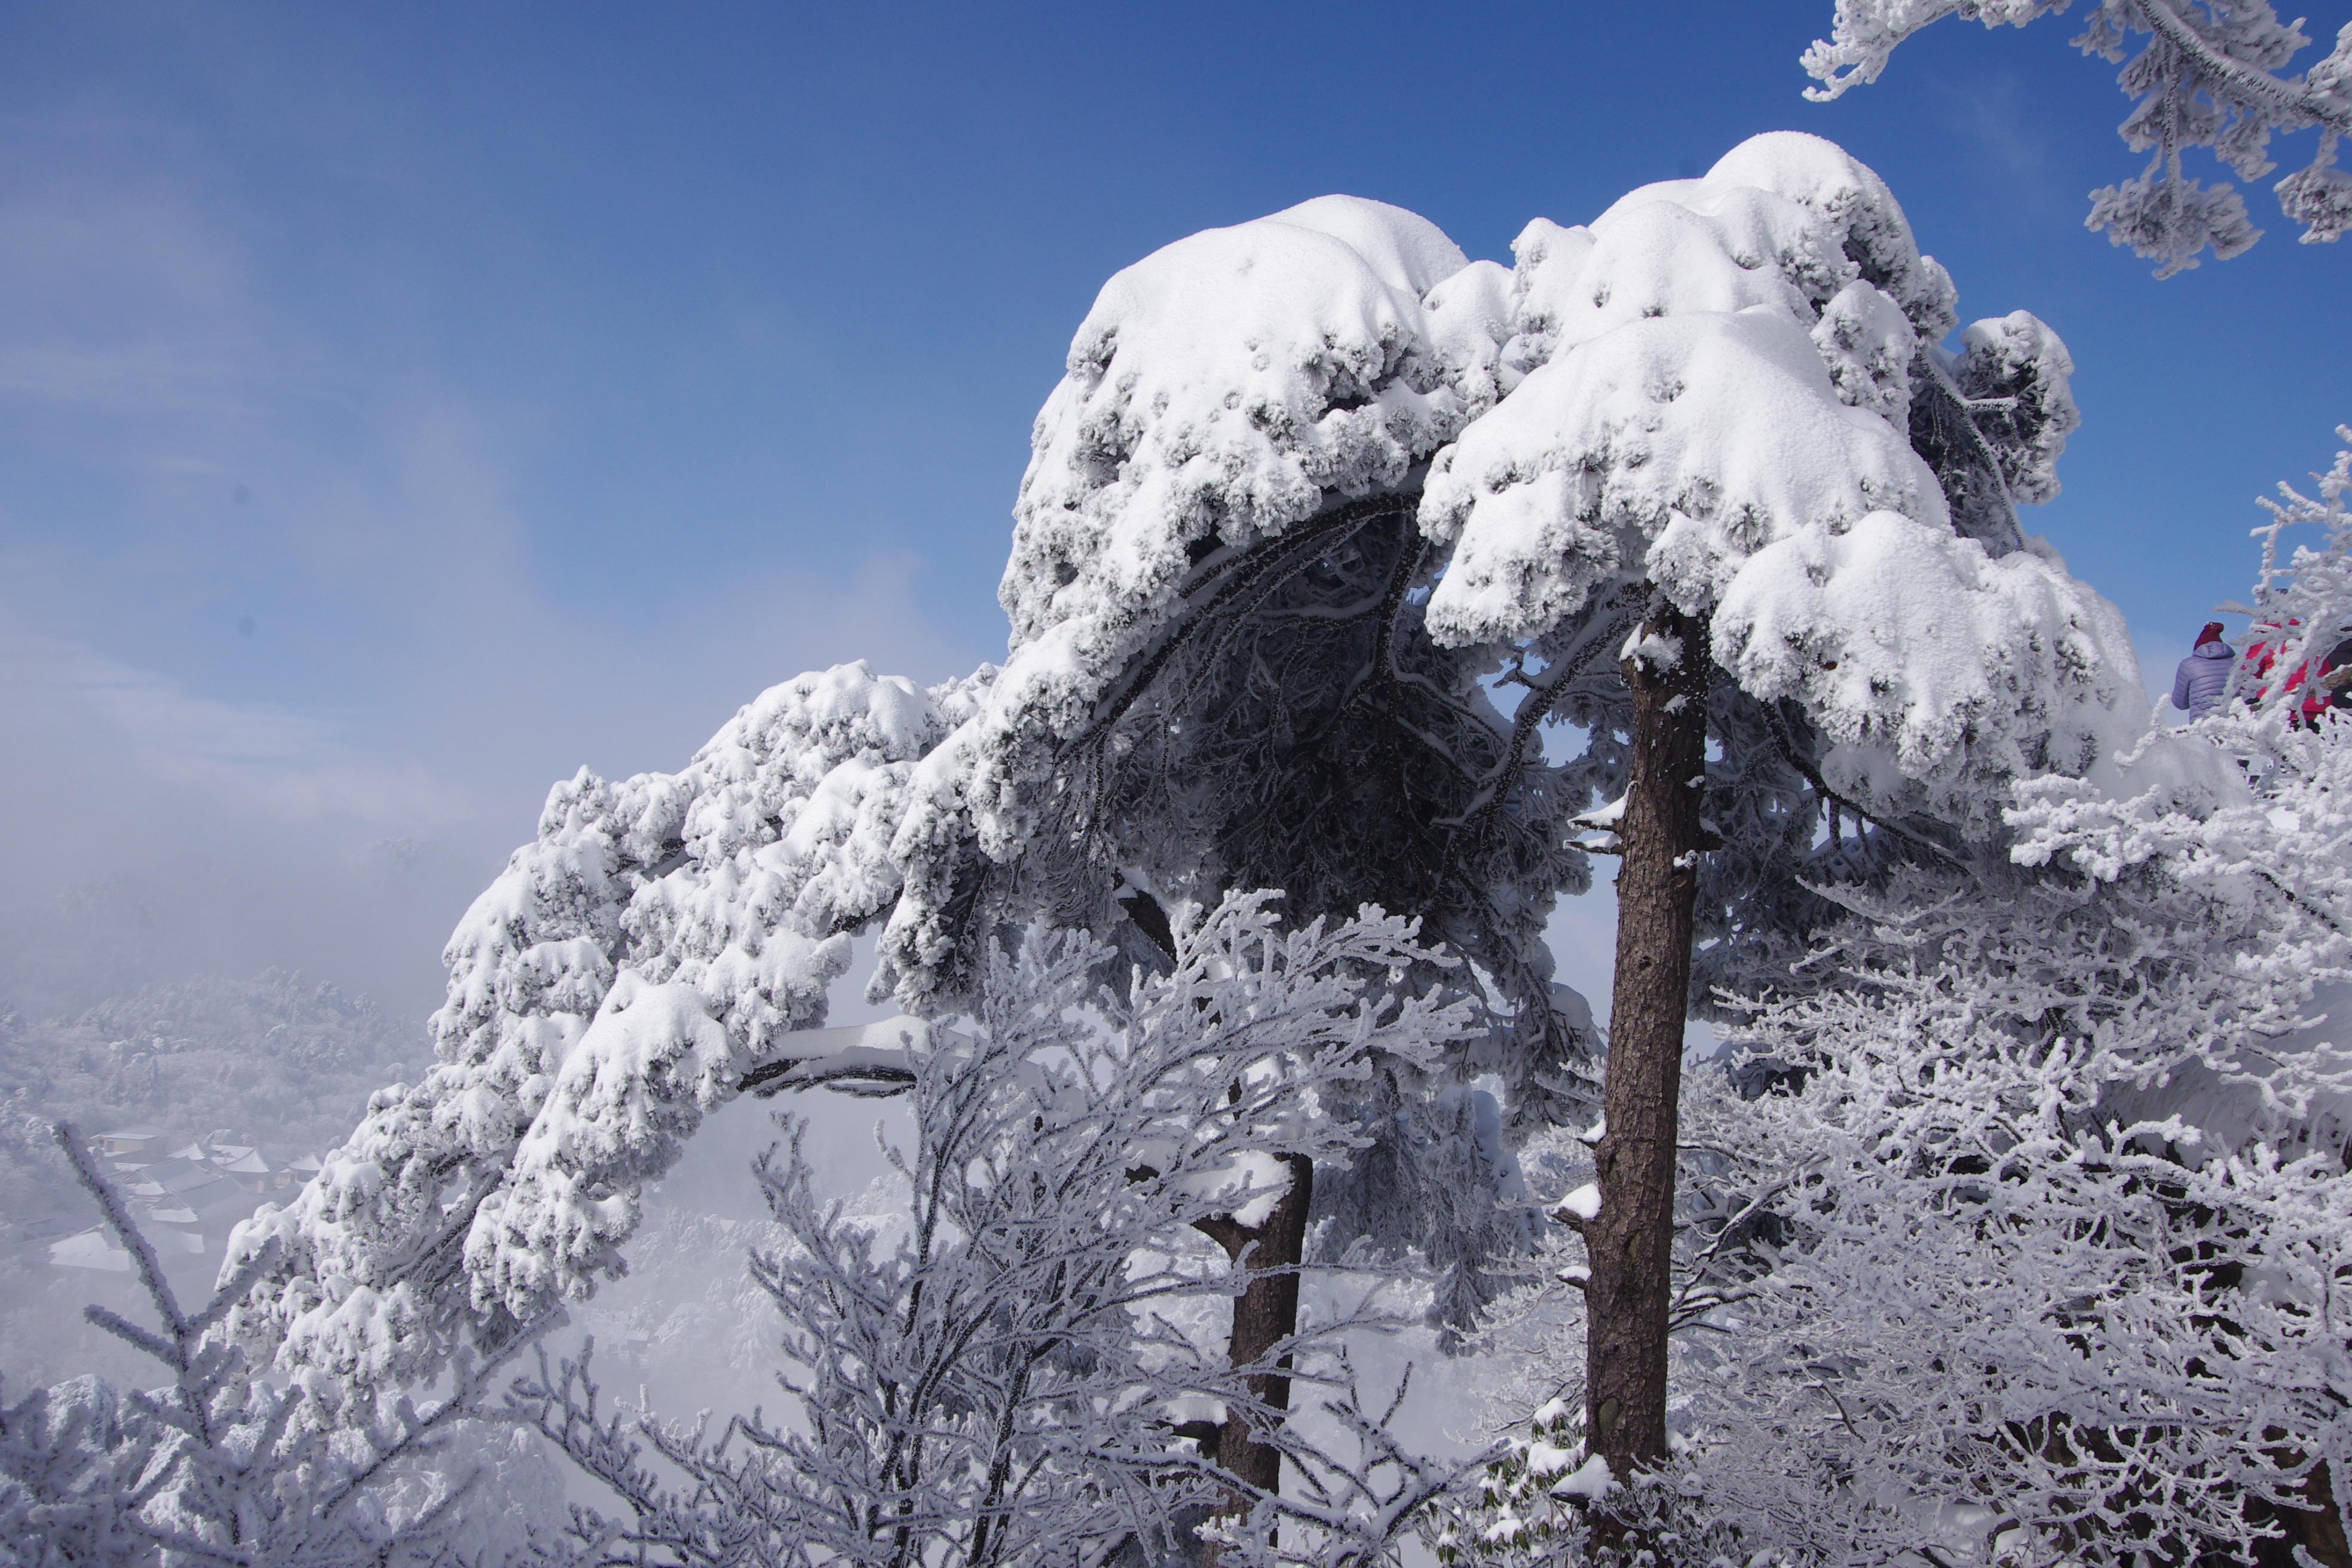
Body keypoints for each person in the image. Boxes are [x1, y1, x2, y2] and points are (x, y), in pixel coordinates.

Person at [2172, 621, 2236, 721]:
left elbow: (2180, 704)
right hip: (2237, 724)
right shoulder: (2239, 662)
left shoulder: (2188, 664)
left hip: (2204, 726)